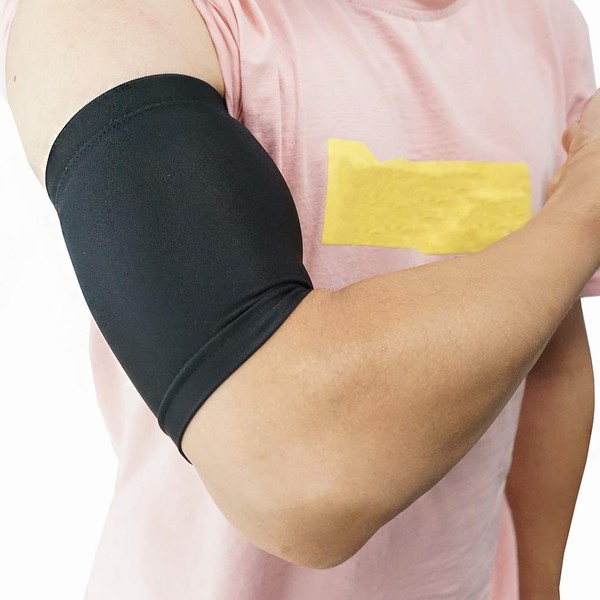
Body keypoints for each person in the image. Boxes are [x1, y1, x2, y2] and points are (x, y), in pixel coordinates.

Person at [2, 0, 599, 598]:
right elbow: (296, 473)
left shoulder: (541, 22)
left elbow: (549, 349)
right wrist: (584, 211)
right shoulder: (109, 17)